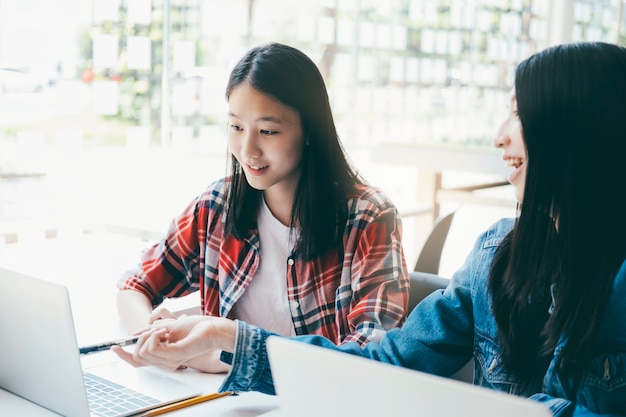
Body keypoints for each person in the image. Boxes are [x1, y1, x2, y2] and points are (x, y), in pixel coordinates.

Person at [114, 41, 626, 415]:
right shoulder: (498, 254)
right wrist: (230, 338)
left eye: (518, 115)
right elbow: (387, 363)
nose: (499, 137)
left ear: (574, 137)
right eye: (235, 126)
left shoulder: (368, 215)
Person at [115, 42, 409, 373]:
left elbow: (371, 355)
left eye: (267, 131)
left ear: (309, 130)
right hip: (221, 400)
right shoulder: (216, 206)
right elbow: (135, 285)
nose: (247, 148)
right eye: (236, 127)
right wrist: (152, 338)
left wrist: (221, 356)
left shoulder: (369, 217)